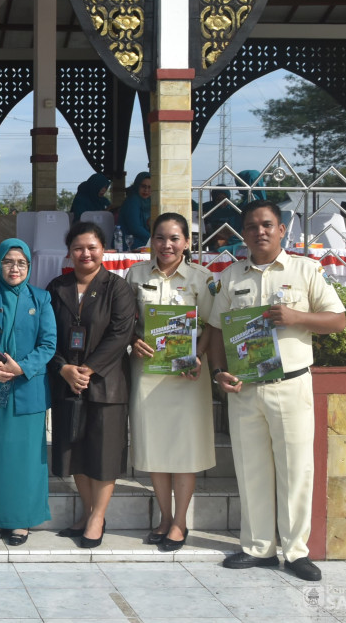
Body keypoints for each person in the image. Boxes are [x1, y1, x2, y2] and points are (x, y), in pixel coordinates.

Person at [205, 199, 346, 582]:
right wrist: (218, 371)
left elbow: (338, 320)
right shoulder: (232, 276)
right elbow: (216, 330)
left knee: (295, 470)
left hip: (290, 384)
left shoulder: (306, 269)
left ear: (282, 229)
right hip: (246, 387)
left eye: (267, 224)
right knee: (251, 469)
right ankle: (257, 548)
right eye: (251, 226)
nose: (259, 231)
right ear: (244, 234)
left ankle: (296, 551)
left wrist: (298, 317)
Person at [124, 212, 215, 553]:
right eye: (160, 237)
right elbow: (126, 322)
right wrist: (134, 340)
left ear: (187, 242)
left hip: (186, 377)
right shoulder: (135, 275)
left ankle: (181, 521)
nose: (167, 245)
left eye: (175, 238)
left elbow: (212, 325)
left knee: (184, 449)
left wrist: (200, 356)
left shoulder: (201, 279)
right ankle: (164, 518)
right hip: (148, 374)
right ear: (152, 240)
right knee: (156, 447)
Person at [46, 221, 134, 548]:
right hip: (67, 382)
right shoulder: (57, 288)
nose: (86, 253)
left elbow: (120, 334)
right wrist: (64, 368)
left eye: (92, 247)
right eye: (79, 248)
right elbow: (46, 336)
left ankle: (98, 517)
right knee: (76, 453)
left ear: (104, 250)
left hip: (106, 383)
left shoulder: (117, 288)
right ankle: (86, 512)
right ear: (69, 252)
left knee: (104, 454)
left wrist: (89, 369)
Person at [0, 239, 58, 545]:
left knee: (25, 459)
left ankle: (21, 520)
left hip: (26, 390)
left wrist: (22, 367)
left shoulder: (41, 298)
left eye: (21, 263)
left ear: (29, 267)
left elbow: (48, 344)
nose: (15, 268)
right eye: (8, 262)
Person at [118, 171, 152, 248]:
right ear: (137, 185)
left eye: (149, 187)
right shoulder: (133, 201)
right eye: (143, 186)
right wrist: (152, 238)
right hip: (129, 241)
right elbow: (135, 228)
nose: (146, 190)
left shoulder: (149, 201)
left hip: (142, 239)